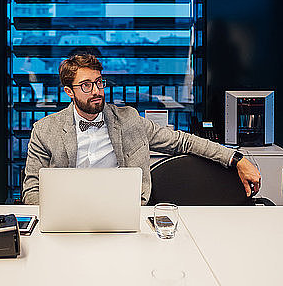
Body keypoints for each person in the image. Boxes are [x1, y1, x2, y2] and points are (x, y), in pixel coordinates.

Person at [22, 54, 261, 205]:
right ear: (69, 91)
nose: (97, 91)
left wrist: (235, 158)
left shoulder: (129, 120)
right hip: (68, 214)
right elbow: (31, 189)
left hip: (123, 211)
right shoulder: (45, 130)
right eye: (86, 85)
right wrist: (53, 217)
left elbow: (183, 142)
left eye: (99, 82)